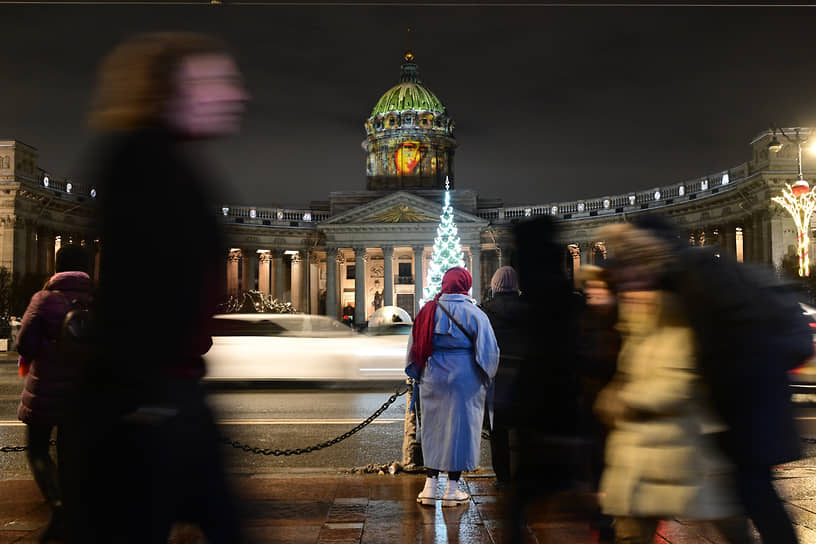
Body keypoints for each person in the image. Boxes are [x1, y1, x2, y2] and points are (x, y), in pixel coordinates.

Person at [65, 32, 249, 543]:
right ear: (174, 89)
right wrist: (147, 400)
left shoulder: (170, 162)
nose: (238, 93)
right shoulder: (144, 163)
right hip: (148, 404)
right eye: (217, 80)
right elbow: (139, 291)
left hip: (168, 394)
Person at [593, 222, 750, 544]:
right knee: (633, 532)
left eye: (635, 276)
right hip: (642, 452)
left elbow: (675, 384)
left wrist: (625, 399)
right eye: (624, 278)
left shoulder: (675, 316)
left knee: (726, 523)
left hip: (680, 448)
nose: (628, 287)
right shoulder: (635, 320)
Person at [16, 245, 94, 544]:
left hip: (45, 387)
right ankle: (75, 514)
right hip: (83, 392)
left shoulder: (44, 298)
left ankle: (58, 506)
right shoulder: (97, 301)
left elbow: (24, 344)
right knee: (70, 454)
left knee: (37, 450)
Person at [407, 266, 500, 507]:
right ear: (466, 285)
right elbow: (489, 352)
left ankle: (429, 487)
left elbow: (413, 347)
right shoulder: (474, 313)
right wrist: (486, 377)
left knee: (431, 429)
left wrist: (417, 374)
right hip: (465, 378)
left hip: (433, 376)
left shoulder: (428, 310)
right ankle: (452, 490)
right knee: (461, 430)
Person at [480, 265, 525, 489]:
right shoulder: (529, 310)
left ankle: (503, 478)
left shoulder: (485, 311)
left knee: (498, 433)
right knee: (523, 430)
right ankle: (524, 476)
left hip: (496, 378)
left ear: (495, 286)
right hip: (524, 378)